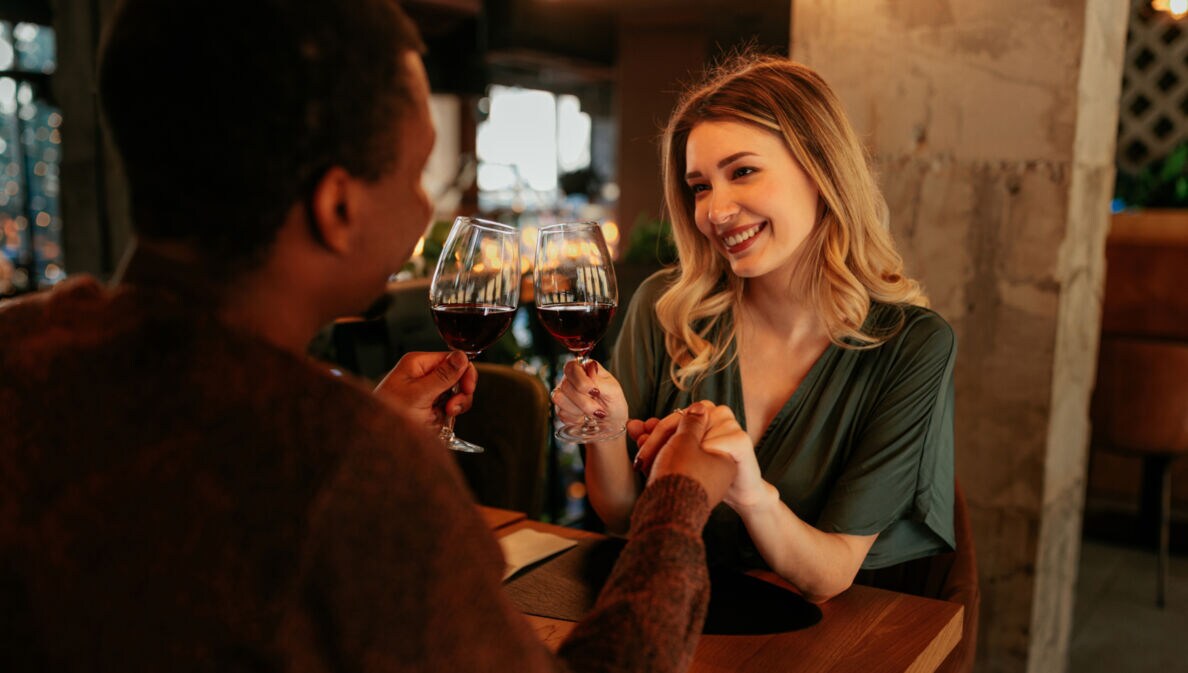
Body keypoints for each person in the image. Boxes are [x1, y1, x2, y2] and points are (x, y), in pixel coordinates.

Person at [0, 1, 738, 670]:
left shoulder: (20, 352)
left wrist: (371, 424)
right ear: (338, 207)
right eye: (417, 175)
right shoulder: (349, 470)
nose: (423, 209)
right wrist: (677, 503)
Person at [553, 54, 957, 604]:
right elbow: (622, 516)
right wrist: (605, 429)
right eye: (700, 186)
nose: (716, 211)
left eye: (742, 172)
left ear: (821, 170)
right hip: (666, 612)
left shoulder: (912, 346)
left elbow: (831, 572)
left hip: (819, 635)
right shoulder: (665, 309)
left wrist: (750, 492)